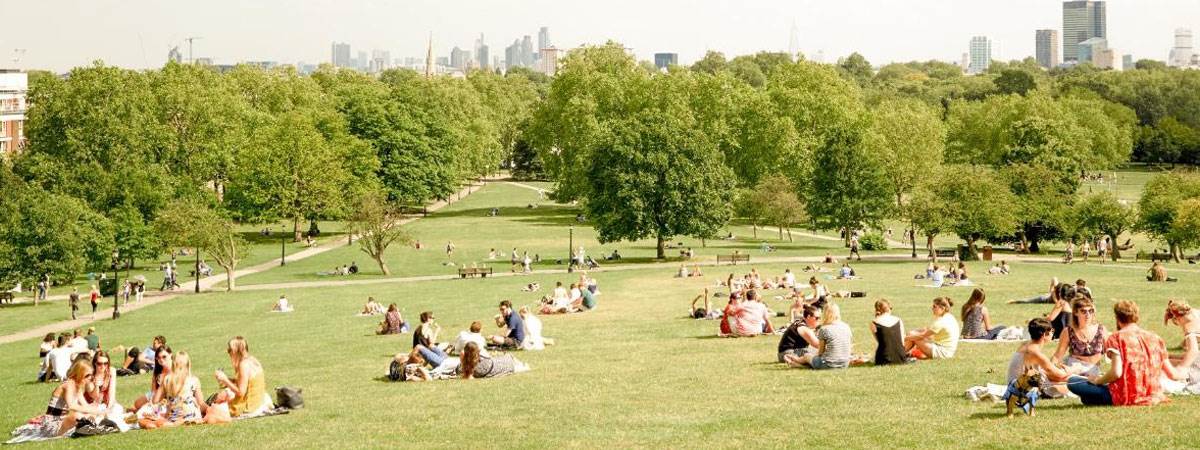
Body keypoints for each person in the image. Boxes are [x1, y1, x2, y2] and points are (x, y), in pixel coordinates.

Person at [1067, 301, 1186, 406]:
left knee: (1073, 382)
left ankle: (1091, 399)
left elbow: (1116, 372)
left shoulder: (1116, 338)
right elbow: (1173, 374)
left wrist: (1097, 380)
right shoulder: (1155, 338)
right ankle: (1090, 399)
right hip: (1153, 393)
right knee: (1087, 394)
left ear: (1117, 318)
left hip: (1125, 394)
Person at [206, 337, 271, 423]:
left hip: (249, 407)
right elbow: (245, 382)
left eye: (229, 349)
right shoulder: (253, 360)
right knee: (223, 398)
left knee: (211, 410)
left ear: (235, 350)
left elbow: (241, 392)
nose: (228, 352)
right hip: (259, 402)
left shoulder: (243, 365)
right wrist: (229, 380)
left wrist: (225, 380)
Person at [39, 359, 107, 437]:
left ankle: (87, 425)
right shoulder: (68, 385)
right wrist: (93, 411)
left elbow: (85, 405)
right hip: (53, 423)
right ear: (79, 374)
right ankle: (87, 425)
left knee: (94, 409)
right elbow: (72, 406)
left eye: (91, 375)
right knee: (77, 415)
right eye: (87, 375)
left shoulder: (79, 386)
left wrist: (96, 410)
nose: (90, 378)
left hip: (64, 420)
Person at [1008, 318, 1072, 397]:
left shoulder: (1026, 345)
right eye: (1052, 331)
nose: (1053, 333)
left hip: (1018, 384)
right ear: (1045, 334)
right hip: (1022, 390)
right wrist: (1069, 372)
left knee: (1061, 381)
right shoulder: (1034, 352)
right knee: (1070, 386)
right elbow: (1058, 375)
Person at [1051, 296, 1108, 377]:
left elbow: (1110, 353)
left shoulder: (1101, 330)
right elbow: (1057, 356)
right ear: (1075, 312)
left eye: (1090, 311)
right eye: (1083, 311)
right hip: (1073, 368)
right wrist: (1048, 369)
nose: (1088, 315)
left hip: (1093, 370)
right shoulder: (1068, 331)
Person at [785, 303, 853, 370]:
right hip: (845, 364)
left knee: (807, 356)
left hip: (828, 364)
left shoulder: (824, 329)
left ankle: (795, 360)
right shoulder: (846, 326)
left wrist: (813, 356)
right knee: (812, 359)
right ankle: (800, 365)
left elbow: (820, 352)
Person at [153, 351, 206, 427]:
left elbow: (155, 400)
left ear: (174, 364)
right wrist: (209, 409)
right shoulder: (194, 380)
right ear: (188, 364)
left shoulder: (167, 379)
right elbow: (201, 403)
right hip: (191, 415)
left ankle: (178, 420)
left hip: (173, 417)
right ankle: (188, 419)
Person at [1164, 300, 1200, 393]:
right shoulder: (1196, 313)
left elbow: (1193, 351)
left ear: (1178, 318)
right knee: (1170, 359)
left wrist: (1181, 369)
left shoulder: (1188, 327)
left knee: (1166, 363)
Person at [458, 342, 528, 379]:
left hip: (500, 364)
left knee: (510, 358)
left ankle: (521, 364)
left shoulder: (469, 368)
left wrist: (462, 359)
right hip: (504, 365)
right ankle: (522, 364)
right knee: (510, 357)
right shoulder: (479, 367)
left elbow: (464, 371)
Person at [870, 299, 907, 365]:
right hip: (901, 357)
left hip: (883, 359)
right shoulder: (898, 320)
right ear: (889, 308)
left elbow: (880, 341)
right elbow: (902, 341)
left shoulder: (874, 323)